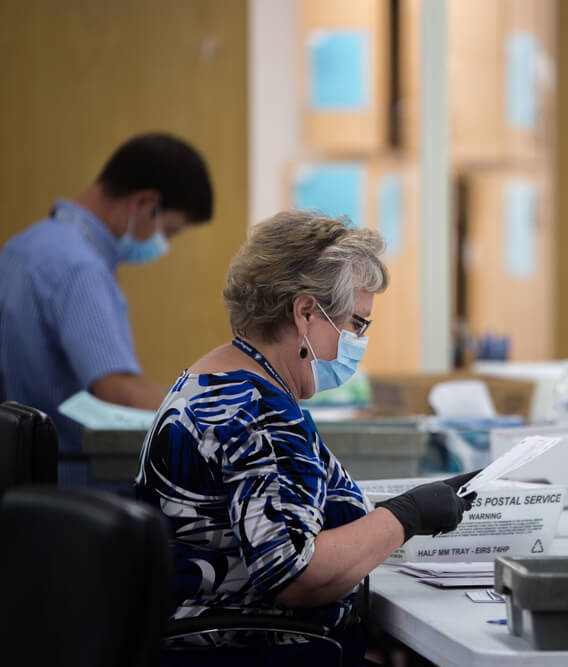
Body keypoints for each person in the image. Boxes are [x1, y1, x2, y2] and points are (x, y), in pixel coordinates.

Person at [135, 211, 475, 666]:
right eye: (357, 324)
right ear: (306, 312)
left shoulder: (214, 379)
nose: (358, 339)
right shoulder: (256, 410)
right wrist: (406, 515)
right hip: (253, 652)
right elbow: (295, 573)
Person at [0, 132, 214, 484]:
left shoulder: (23, 247)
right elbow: (119, 392)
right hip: (72, 490)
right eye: (169, 232)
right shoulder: (79, 267)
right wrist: (217, 416)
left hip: (22, 487)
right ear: (146, 204)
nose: (165, 245)